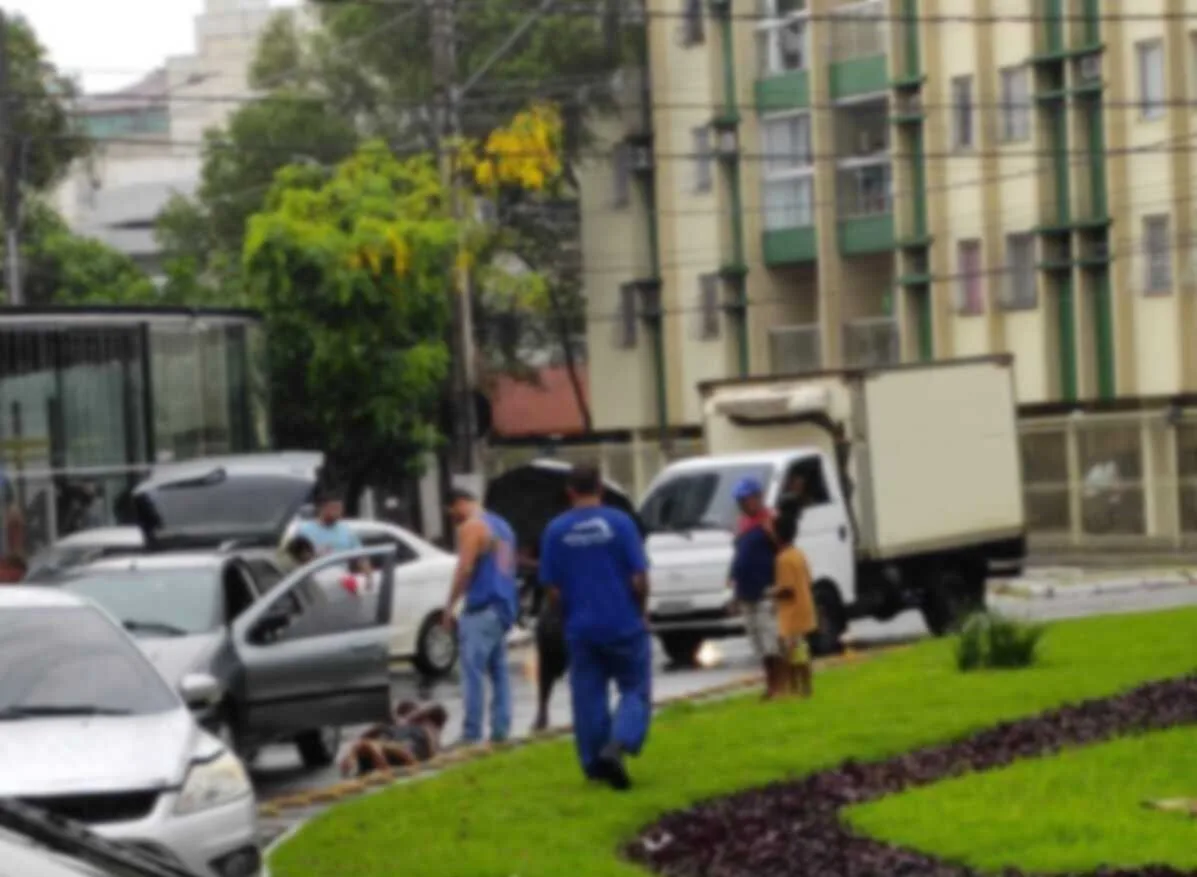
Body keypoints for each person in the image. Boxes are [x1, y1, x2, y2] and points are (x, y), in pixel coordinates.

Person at [539, 463, 651, 791]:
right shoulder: (621, 523)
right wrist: (640, 610)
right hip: (624, 622)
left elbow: (552, 587)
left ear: (569, 491)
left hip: (581, 627)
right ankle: (617, 745)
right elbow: (639, 577)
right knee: (635, 689)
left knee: (588, 697)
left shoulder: (555, 530)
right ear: (600, 487)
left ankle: (594, 764)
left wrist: (568, 612)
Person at [442, 487, 519, 746]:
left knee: (472, 671)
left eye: (451, 511)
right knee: (498, 670)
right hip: (503, 607)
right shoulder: (504, 527)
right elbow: (507, 568)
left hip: (481, 607)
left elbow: (465, 568)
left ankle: (471, 732)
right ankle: (500, 728)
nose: (453, 517)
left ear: (460, 503)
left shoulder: (471, 527)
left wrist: (449, 605)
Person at [727, 477, 785, 699]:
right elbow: (739, 558)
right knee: (758, 642)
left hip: (765, 590)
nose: (742, 504)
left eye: (746, 499)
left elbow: (782, 550)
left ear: (758, 498)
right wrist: (733, 589)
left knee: (771, 640)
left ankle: (778, 685)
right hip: (746, 592)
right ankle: (770, 683)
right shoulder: (742, 525)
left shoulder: (769, 521)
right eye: (740, 501)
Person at [770, 504, 816, 698]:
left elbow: (787, 591)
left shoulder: (782, 559)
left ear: (778, 535)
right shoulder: (799, 554)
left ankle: (793, 689)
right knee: (801, 652)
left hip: (791, 614)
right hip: (805, 609)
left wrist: (771, 594)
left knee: (789, 653)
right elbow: (808, 579)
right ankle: (804, 688)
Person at [338, 701, 449, 776]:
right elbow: (377, 727)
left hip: (399, 744)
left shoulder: (428, 724)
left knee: (400, 748)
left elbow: (436, 708)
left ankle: (371, 747)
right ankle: (370, 748)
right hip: (396, 744)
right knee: (397, 747)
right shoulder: (396, 728)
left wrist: (406, 720)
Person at [296, 489, 366, 572]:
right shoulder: (305, 531)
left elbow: (361, 557)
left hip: (340, 580)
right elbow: (297, 561)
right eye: (335, 508)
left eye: (340, 508)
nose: (338, 512)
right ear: (323, 507)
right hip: (314, 580)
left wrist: (368, 578)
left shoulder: (347, 531)